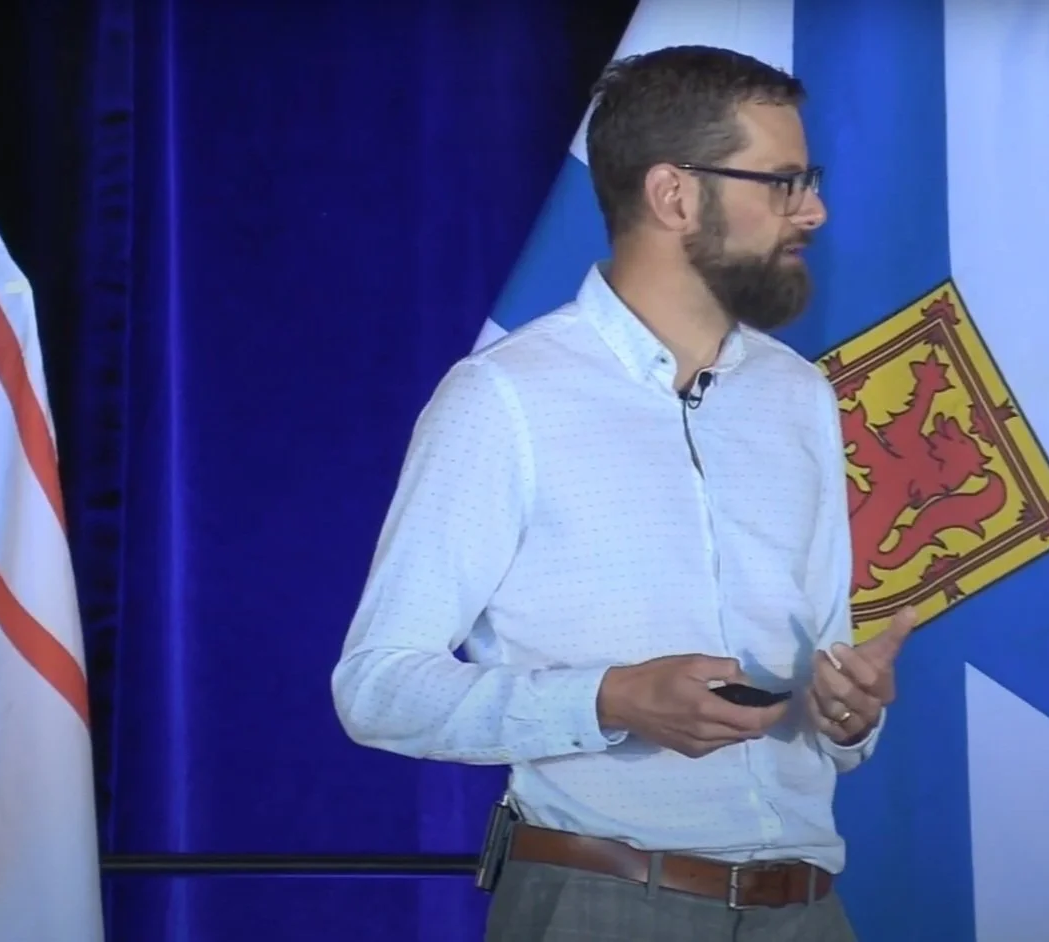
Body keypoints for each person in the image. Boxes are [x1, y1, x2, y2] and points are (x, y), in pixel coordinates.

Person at [331, 44, 916, 942]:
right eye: (783, 181)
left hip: (807, 911)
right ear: (675, 195)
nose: (815, 210)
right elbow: (375, 687)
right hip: (603, 903)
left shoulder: (800, 397)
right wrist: (608, 700)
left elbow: (822, 665)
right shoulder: (505, 398)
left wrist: (846, 713)